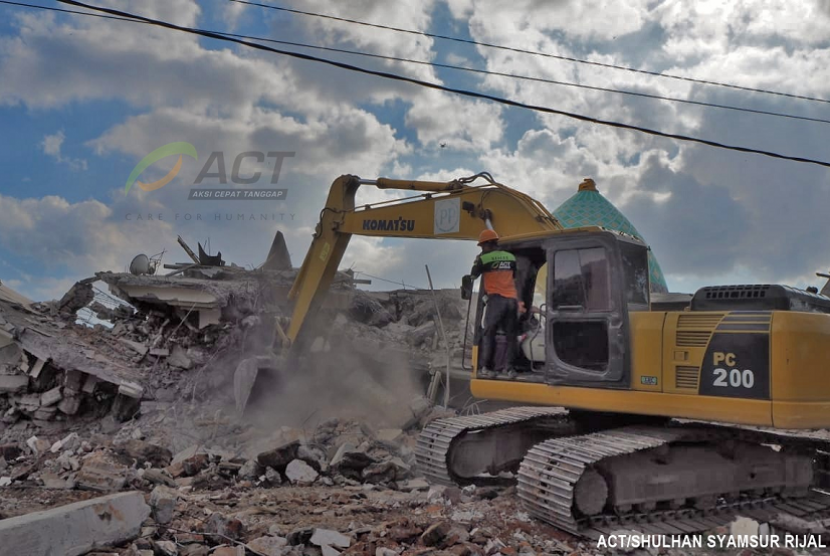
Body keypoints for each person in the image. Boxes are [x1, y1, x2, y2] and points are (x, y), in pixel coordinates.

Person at [468, 229, 520, 379]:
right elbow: (514, 276)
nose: (482, 249)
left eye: (482, 246)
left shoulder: (483, 258)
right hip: (511, 300)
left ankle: (485, 367)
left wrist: (478, 262)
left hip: (496, 300)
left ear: (486, 244)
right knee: (511, 336)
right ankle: (509, 369)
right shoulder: (510, 257)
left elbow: (473, 276)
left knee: (489, 333)